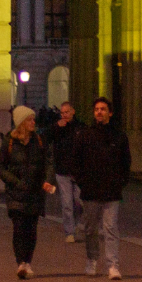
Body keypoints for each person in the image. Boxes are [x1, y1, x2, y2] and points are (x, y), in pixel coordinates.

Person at [68, 96, 130, 280]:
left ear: (110, 112)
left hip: (112, 190)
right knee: (91, 228)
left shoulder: (119, 136)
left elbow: (126, 162)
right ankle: (92, 259)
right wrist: (82, 182)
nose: (99, 112)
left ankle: (113, 265)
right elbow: (76, 161)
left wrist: (120, 182)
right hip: (90, 190)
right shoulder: (85, 135)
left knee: (110, 228)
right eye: (96, 109)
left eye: (103, 109)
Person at [0, 105, 56, 279]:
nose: (33, 122)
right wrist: (15, 182)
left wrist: (48, 180)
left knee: (31, 228)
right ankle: (21, 262)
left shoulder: (39, 140)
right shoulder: (10, 142)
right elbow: (0, 167)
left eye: (33, 119)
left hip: (35, 192)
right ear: (21, 122)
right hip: (16, 192)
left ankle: (28, 261)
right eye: (29, 119)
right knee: (19, 227)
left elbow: (49, 162)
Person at [43, 100, 84, 242]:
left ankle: (76, 224)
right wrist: (55, 127)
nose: (64, 115)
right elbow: (45, 138)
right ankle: (69, 232)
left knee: (79, 201)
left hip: (78, 171)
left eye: (67, 112)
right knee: (67, 203)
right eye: (62, 112)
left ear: (73, 112)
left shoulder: (80, 127)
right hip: (62, 170)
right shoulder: (57, 127)